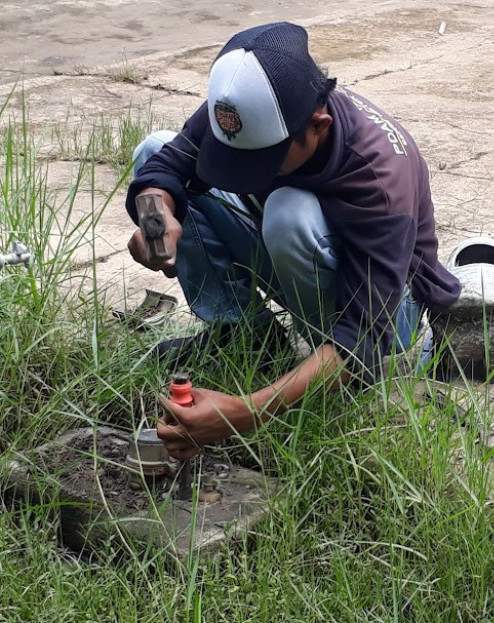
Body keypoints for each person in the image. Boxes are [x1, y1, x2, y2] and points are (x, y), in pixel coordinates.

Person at [125, 22, 461, 461]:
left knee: (289, 212)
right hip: (307, 264)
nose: (243, 171)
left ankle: (324, 373)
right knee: (153, 146)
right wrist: (155, 225)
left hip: (384, 311)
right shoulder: (251, 107)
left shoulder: (379, 178)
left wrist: (243, 413)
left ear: (317, 126)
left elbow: (363, 339)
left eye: (262, 158)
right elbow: (166, 166)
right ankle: (245, 335)